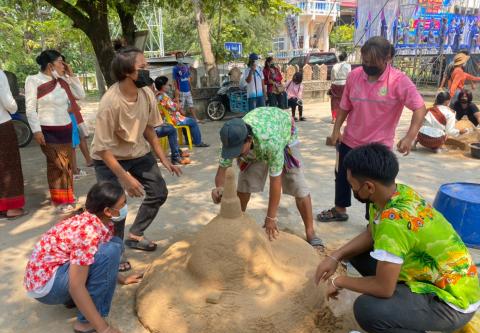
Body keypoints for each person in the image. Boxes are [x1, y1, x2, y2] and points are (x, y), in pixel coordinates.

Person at [315, 143, 480, 333]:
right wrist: (335, 256)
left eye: (352, 186)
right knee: (356, 252)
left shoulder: (394, 224)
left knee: (367, 310)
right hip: (438, 278)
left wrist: (340, 282)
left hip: (452, 303)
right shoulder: (395, 194)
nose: (352, 190)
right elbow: (371, 234)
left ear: (368, 187)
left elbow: (384, 289)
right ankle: (408, 310)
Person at [317, 36, 426, 223]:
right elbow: (345, 105)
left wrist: (409, 137)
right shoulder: (354, 76)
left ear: (387, 58)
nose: (367, 66)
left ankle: (373, 220)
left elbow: (420, 108)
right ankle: (339, 208)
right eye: (365, 61)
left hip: (377, 146)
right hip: (350, 139)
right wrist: (336, 130)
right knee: (342, 175)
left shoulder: (399, 81)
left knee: (373, 184)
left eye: (372, 62)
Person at [91, 42, 182, 263]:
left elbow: (149, 129)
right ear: (127, 73)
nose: (147, 68)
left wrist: (164, 159)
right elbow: (102, 149)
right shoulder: (110, 103)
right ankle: (114, 255)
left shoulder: (146, 93)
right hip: (108, 158)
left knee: (159, 192)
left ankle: (135, 235)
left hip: (138, 154)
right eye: (143, 65)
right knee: (114, 206)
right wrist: (125, 177)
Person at [24, 181, 144, 333]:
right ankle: (84, 323)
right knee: (110, 251)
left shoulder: (93, 219)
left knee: (114, 244)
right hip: (48, 288)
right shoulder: (88, 232)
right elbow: (76, 286)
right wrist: (104, 329)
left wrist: (120, 278)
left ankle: (73, 301)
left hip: (50, 278)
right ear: (107, 211)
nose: (125, 207)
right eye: (123, 204)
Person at [211, 107, 323, 247]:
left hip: (283, 131)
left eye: (237, 152)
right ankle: (237, 222)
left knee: (297, 183)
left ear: (249, 140)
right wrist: (219, 189)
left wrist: (271, 217)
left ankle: (310, 231)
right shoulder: (230, 139)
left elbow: (276, 182)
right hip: (259, 137)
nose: (234, 155)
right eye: (232, 152)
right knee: (245, 182)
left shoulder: (272, 142)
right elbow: (221, 172)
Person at [25, 50, 85, 214]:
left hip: (65, 128)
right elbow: (30, 109)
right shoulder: (33, 80)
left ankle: (68, 196)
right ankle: (59, 200)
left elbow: (81, 95)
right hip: (47, 130)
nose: (64, 65)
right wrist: (36, 131)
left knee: (68, 164)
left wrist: (71, 77)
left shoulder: (63, 81)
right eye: (60, 62)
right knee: (57, 165)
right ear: (50, 65)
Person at [0, 69, 27, 219]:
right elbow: (8, 103)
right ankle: (12, 208)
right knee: (9, 166)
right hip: (2, 125)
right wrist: (14, 107)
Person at [154, 76, 209, 148]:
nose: (169, 86)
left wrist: (174, 101)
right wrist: (177, 99)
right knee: (193, 121)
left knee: (187, 119)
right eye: (167, 84)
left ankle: (188, 140)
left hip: (165, 119)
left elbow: (168, 106)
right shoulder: (164, 96)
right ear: (163, 86)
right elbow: (175, 108)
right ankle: (198, 142)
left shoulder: (157, 96)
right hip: (173, 119)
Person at [172, 51, 199, 122]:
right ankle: (182, 120)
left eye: (181, 57)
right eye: (178, 57)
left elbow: (188, 78)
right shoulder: (175, 69)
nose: (180, 58)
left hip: (188, 90)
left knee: (191, 105)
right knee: (181, 108)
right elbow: (175, 80)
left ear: (183, 58)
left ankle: (196, 119)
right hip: (181, 91)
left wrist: (191, 87)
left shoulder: (186, 67)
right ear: (176, 59)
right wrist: (176, 90)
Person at [329, 52, 351, 123]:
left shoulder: (335, 66)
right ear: (346, 58)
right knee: (345, 101)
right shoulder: (348, 66)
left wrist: (333, 83)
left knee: (334, 102)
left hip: (335, 84)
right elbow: (349, 76)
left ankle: (334, 118)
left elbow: (332, 77)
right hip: (344, 84)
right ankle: (344, 117)